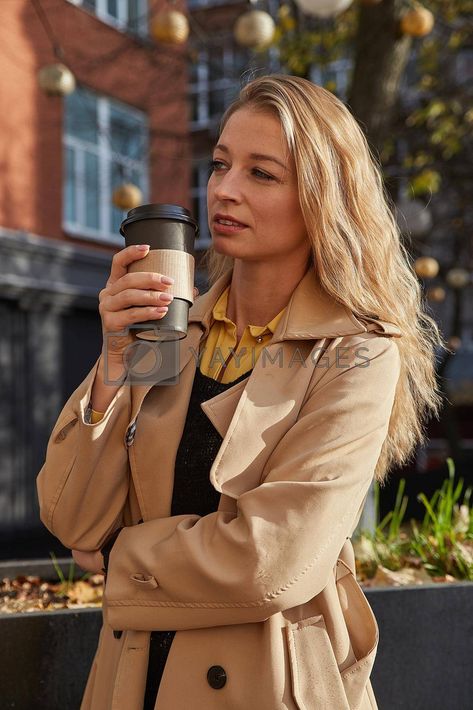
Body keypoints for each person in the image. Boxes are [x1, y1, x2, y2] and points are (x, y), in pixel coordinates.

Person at [37, 74, 443, 710]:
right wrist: (114, 364)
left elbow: (267, 561)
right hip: (133, 674)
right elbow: (72, 518)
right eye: (220, 164)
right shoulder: (175, 329)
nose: (223, 189)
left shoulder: (357, 352)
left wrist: (118, 556)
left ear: (320, 197)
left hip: (268, 682)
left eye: (262, 174)